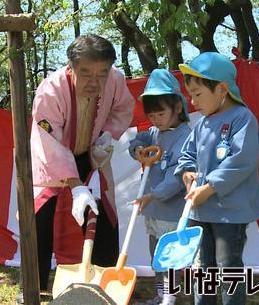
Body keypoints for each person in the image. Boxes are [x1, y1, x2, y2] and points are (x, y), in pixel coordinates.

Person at [26, 34, 134, 301]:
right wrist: (75, 186)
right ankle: (33, 286)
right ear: (70, 67)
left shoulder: (116, 80)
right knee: (40, 219)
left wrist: (107, 134)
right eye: (86, 73)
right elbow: (47, 140)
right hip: (51, 159)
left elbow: (123, 108)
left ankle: (105, 282)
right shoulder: (50, 91)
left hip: (92, 154)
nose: (94, 82)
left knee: (103, 216)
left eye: (102, 74)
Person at [174, 52, 259, 305]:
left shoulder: (243, 119)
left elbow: (241, 160)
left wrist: (210, 187)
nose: (193, 101)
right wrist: (187, 172)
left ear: (222, 89)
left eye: (198, 94)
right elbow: (187, 154)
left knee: (228, 265)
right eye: (190, 94)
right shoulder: (202, 124)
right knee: (203, 267)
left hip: (230, 212)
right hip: (201, 211)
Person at [128, 69, 191, 305]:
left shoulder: (186, 137)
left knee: (171, 256)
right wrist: (137, 151)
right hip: (153, 210)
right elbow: (138, 141)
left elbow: (178, 177)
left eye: (161, 113)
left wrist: (153, 195)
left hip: (172, 212)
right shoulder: (154, 133)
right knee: (156, 255)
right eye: (152, 114)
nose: (156, 119)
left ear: (177, 106)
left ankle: (171, 296)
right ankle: (161, 295)